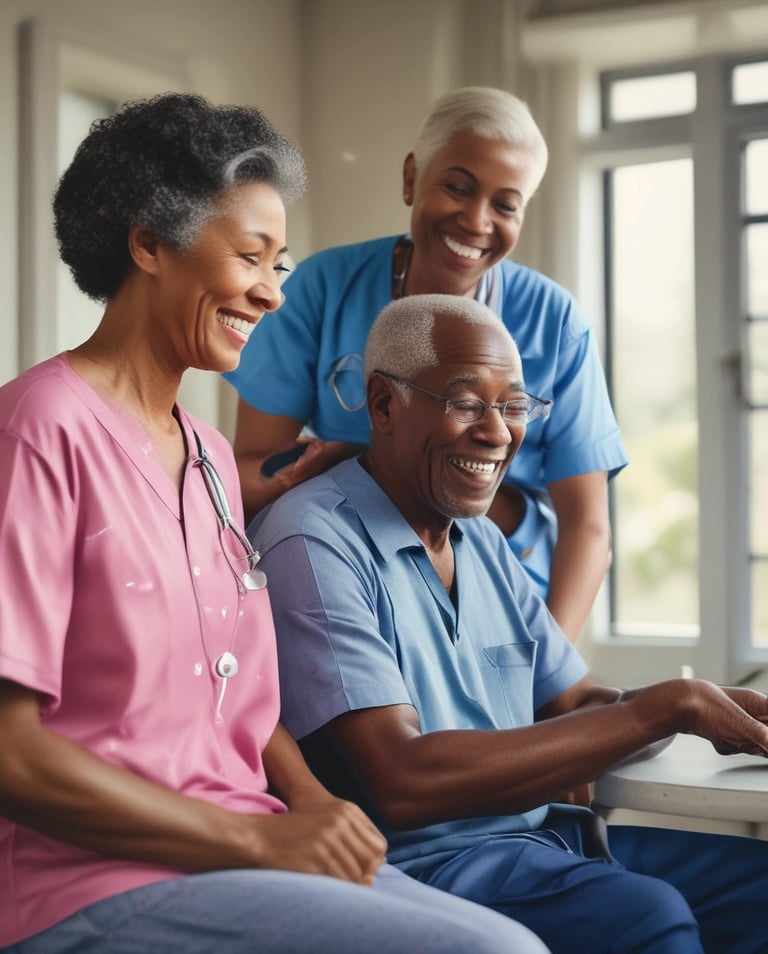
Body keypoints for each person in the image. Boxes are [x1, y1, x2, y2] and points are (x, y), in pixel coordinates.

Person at [0, 95, 548, 954]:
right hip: (92, 878)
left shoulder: (215, 458)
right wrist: (258, 840)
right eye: (250, 257)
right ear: (149, 244)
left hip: (245, 848)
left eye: (280, 263)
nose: (272, 291)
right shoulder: (39, 429)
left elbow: (238, 700)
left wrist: (316, 803)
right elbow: (11, 753)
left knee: (520, 944)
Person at [250, 293, 768, 954]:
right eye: (467, 403)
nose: (498, 432)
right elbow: (403, 781)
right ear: (383, 405)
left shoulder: (481, 540)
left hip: (544, 839)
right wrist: (663, 710)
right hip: (427, 869)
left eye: (514, 406)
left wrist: (702, 707)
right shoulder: (312, 542)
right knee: (645, 917)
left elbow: (574, 705)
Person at [225, 85, 627, 642]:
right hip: (356, 576)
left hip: (510, 587)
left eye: (505, 205)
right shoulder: (323, 289)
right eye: (458, 188)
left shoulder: (554, 321)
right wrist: (360, 464)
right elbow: (247, 476)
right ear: (412, 176)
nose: (477, 221)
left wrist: (548, 670)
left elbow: (588, 527)